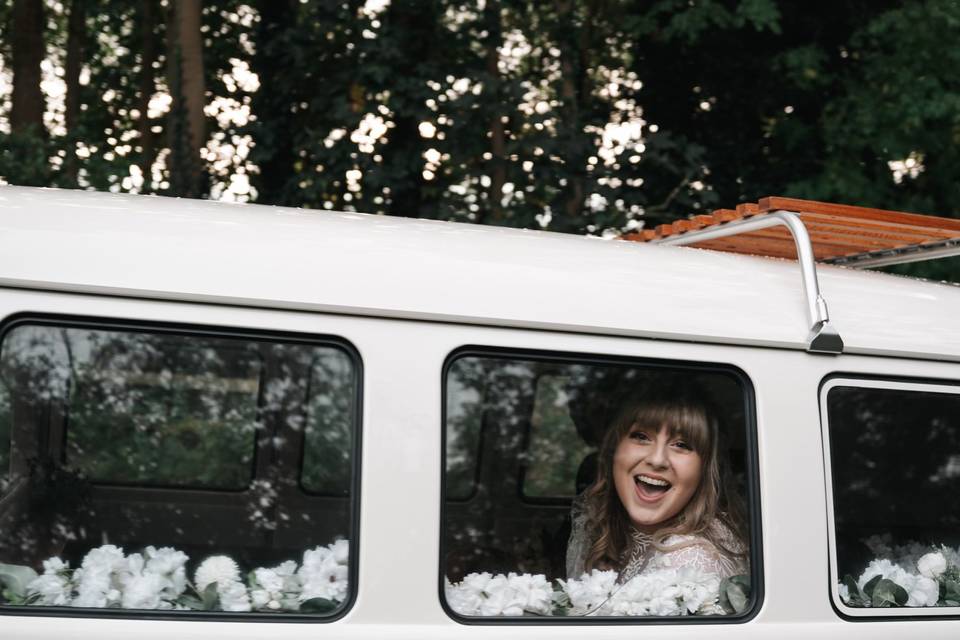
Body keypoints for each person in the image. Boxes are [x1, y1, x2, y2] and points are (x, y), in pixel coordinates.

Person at [566, 385, 747, 584]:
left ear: (704, 470)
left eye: (681, 445)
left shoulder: (691, 564)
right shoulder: (594, 520)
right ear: (613, 451)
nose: (658, 460)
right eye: (641, 437)